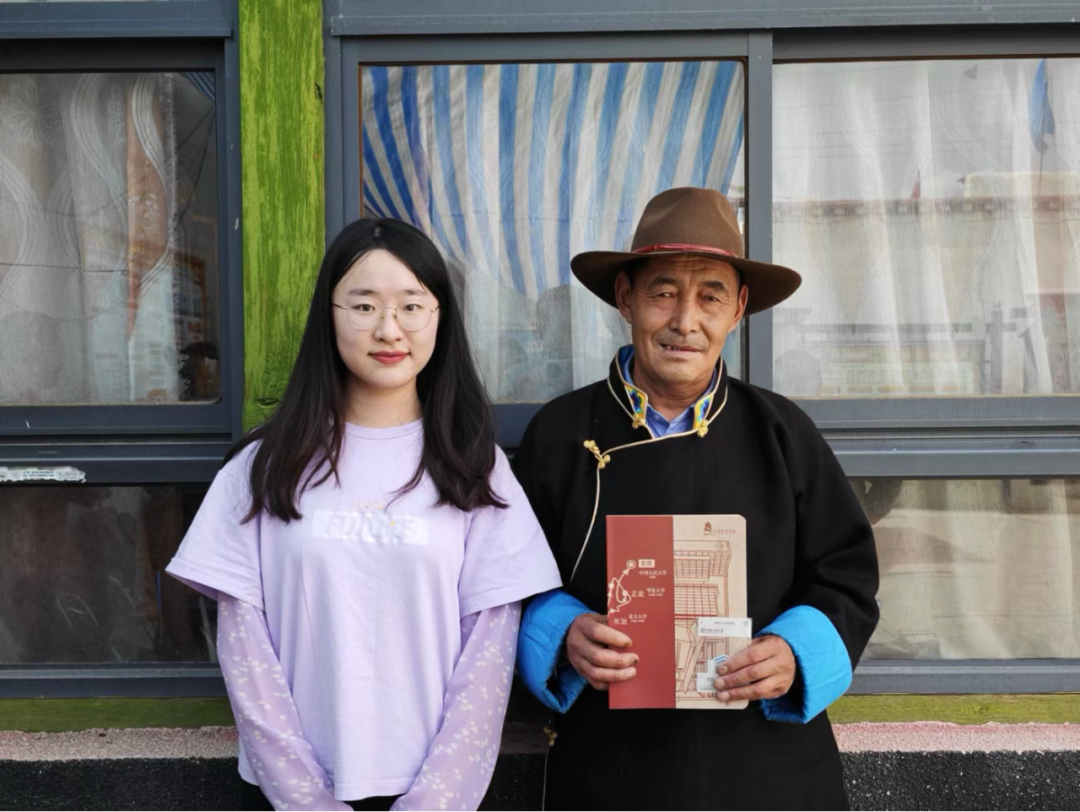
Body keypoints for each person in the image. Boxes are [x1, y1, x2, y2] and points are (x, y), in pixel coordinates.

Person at [166, 218, 562, 811]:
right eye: (364, 305)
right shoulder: (262, 467)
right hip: (288, 796)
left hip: (434, 795)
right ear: (329, 315)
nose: (388, 328)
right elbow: (246, 656)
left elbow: (487, 658)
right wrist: (306, 802)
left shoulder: (476, 468)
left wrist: (433, 803)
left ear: (440, 317)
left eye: (412, 306)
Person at [514, 187, 880, 810]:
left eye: (710, 296)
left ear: (737, 310)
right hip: (610, 768)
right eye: (663, 293)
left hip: (768, 770)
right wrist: (561, 632)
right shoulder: (560, 433)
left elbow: (845, 576)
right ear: (625, 299)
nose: (685, 321)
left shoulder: (783, 434)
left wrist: (794, 654)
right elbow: (508, 582)